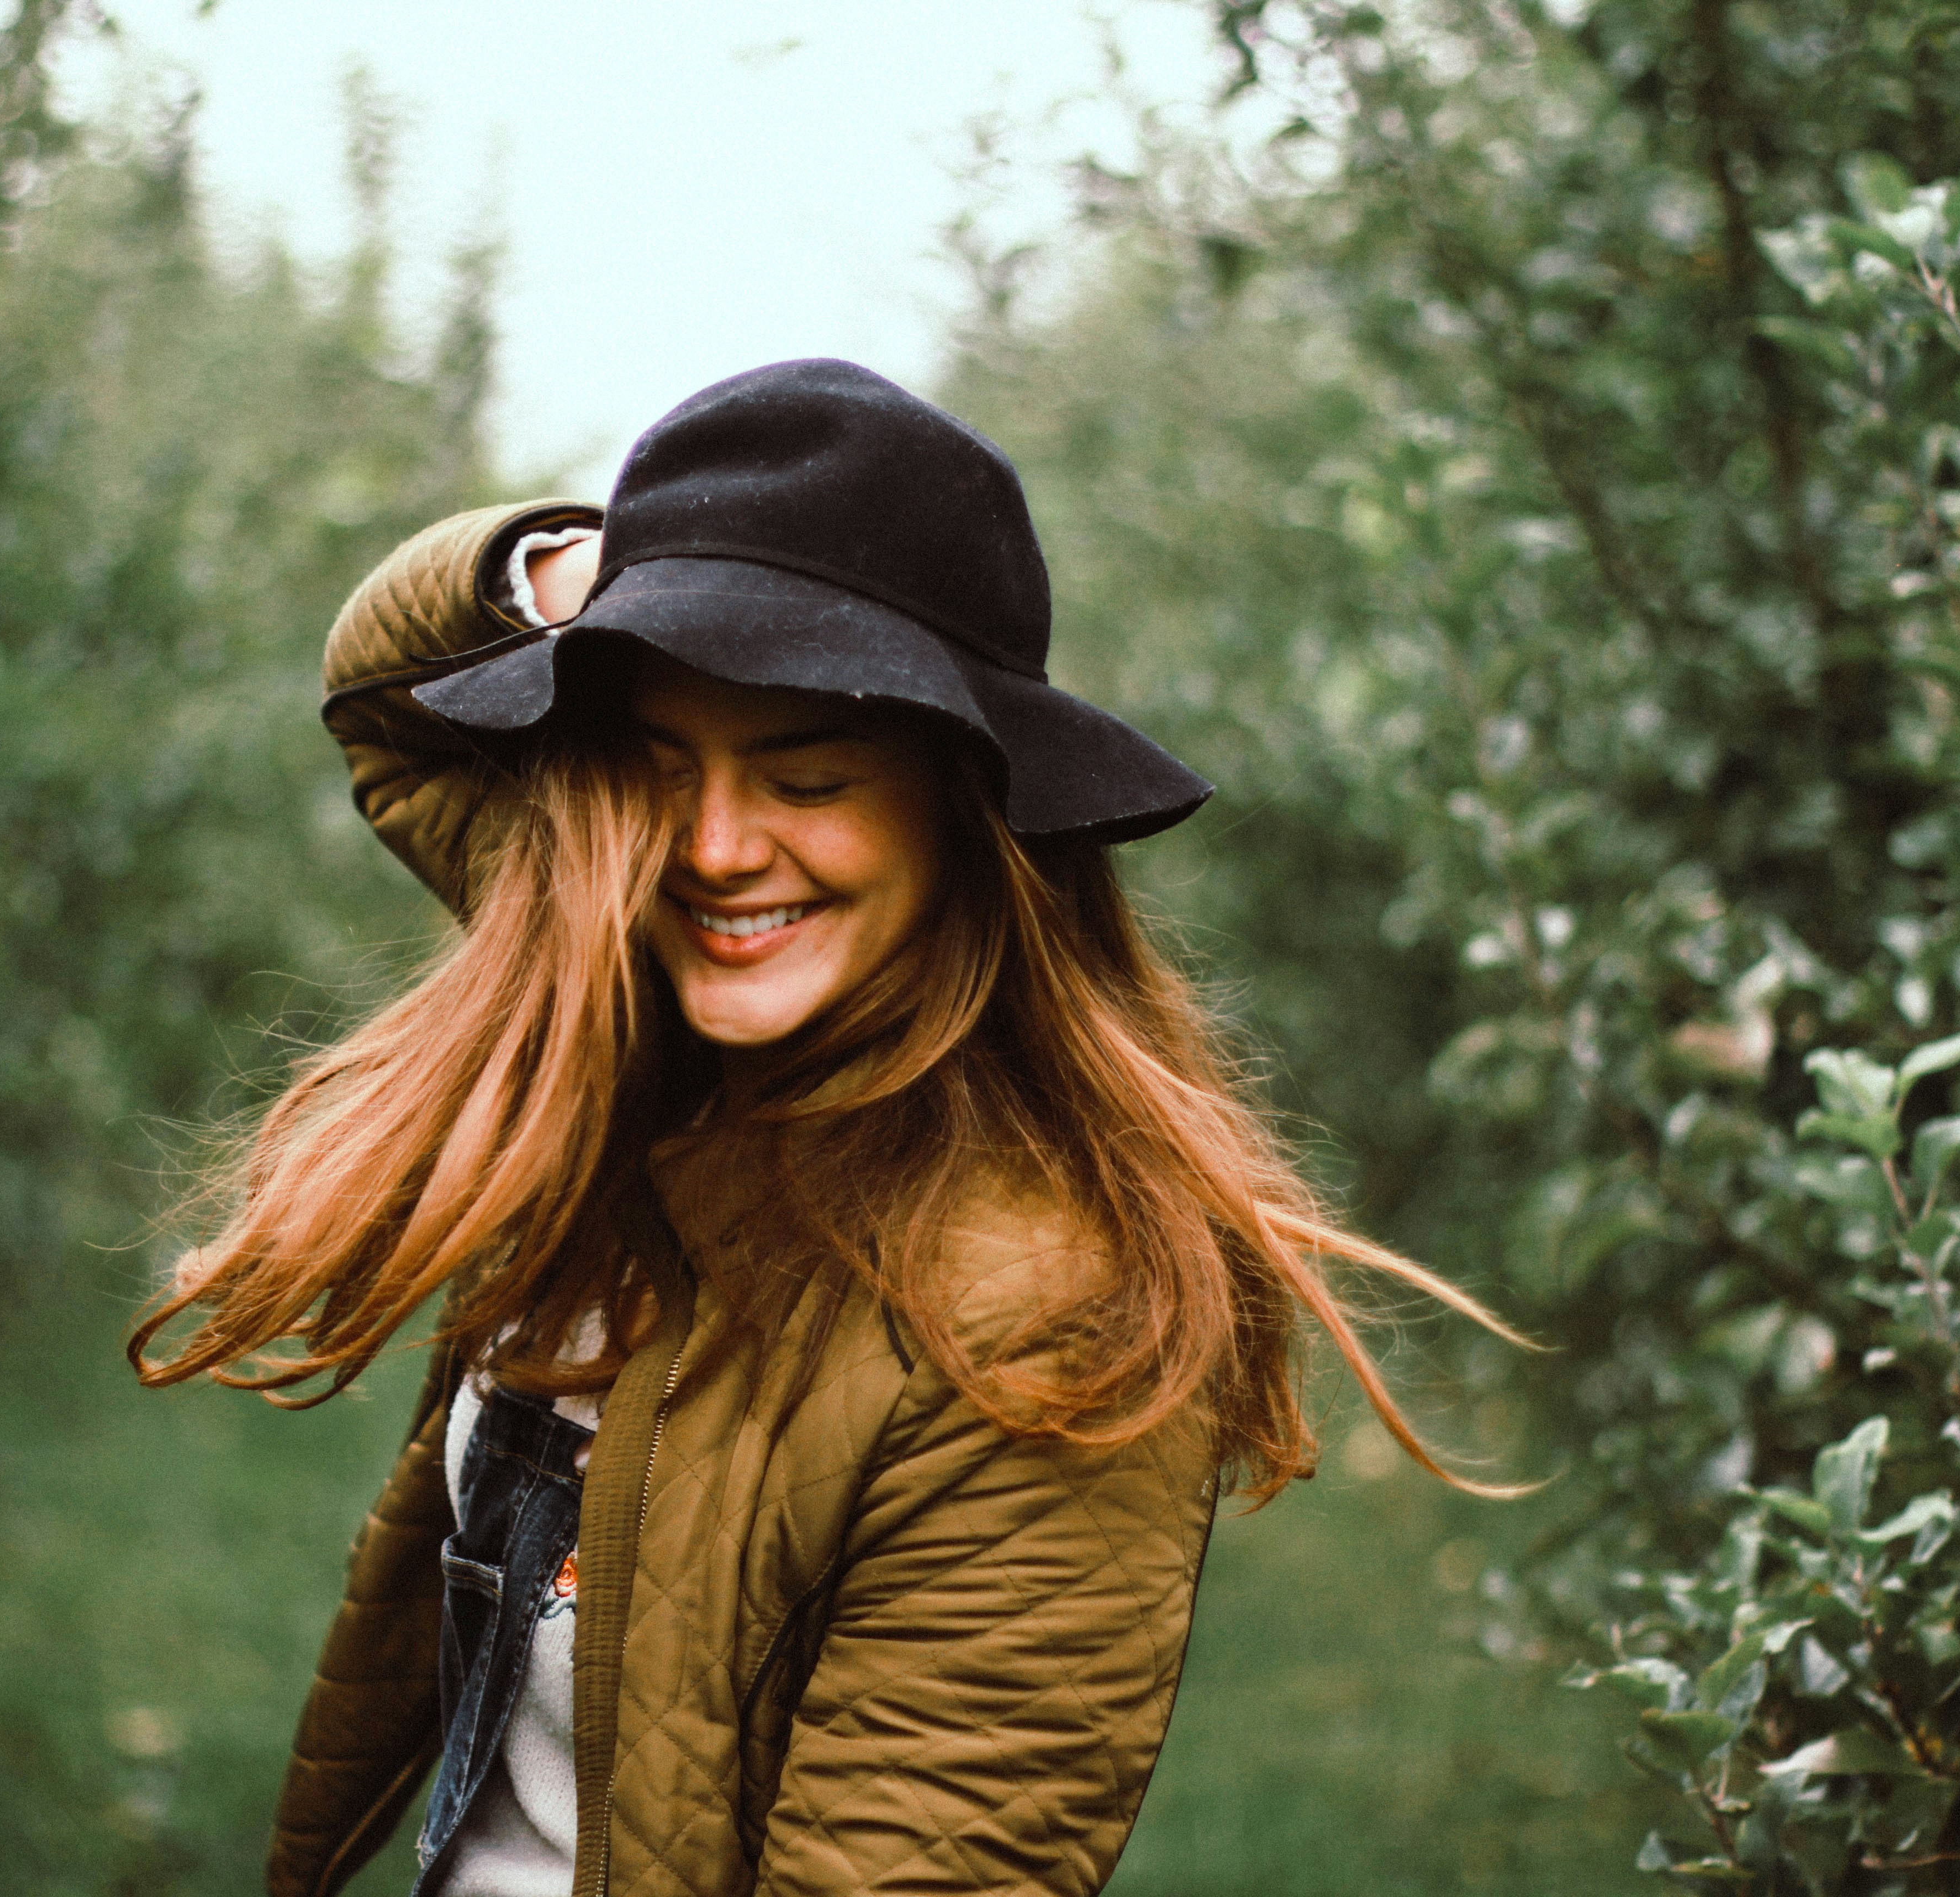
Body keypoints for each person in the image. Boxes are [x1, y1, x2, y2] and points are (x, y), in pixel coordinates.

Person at [130, 359, 1515, 1897]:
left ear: (962, 811)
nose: (716, 853)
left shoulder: (1038, 1325)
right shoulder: (643, 1002)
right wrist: (615, 576)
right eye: (657, 773)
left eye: (809, 776)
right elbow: (387, 702)